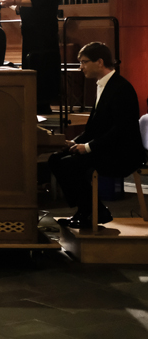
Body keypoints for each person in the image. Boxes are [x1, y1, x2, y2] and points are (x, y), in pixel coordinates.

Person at [48, 42, 143, 229]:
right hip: (105, 148)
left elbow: (121, 130)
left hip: (121, 153)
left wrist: (88, 147)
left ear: (100, 62)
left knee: (70, 164)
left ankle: (92, 211)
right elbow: (94, 129)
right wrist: (73, 143)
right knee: (55, 159)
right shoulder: (102, 85)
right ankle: (89, 210)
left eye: (84, 62)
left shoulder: (122, 88)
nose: (80, 67)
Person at [0, 0, 62, 114]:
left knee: (42, 65)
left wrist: (17, 1)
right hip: (29, 30)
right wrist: (14, 4)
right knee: (30, 64)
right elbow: (24, 3)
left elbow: (41, 0)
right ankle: (32, 101)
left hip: (43, 32)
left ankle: (43, 103)